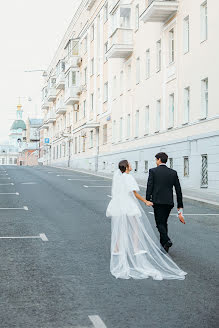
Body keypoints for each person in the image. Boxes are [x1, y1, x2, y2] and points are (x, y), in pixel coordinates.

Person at [106, 159, 187, 280]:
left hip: (118, 204)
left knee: (120, 226)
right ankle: (136, 247)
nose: (131, 165)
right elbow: (134, 194)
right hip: (128, 204)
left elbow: (117, 192)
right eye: (130, 164)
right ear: (127, 166)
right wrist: (146, 201)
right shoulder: (128, 177)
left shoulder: (118, 177)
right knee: (135, 227)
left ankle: (117, 248)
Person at [146, 152, 184, 253]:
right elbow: (178, 189)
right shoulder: (173, 172)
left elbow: (150, 185)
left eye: (156, 160)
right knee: (164, 222)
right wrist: (180, 205)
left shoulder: (153, 171)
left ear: (159, 160)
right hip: (168, 202)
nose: (156, 162)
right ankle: (164, 246)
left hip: (158, 202)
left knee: (159, 223)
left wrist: (147, 199)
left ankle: (167, 240)